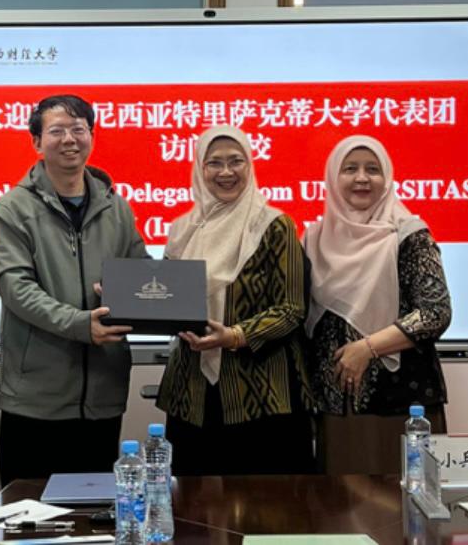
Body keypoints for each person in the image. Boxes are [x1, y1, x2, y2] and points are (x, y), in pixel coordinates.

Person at [0, 94, 149, 487]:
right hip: (36, 399)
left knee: (94, 511)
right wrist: (80, 324)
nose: (70, 139)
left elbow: (142, 275)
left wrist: (145, 297)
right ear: (36, 142)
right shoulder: (10, 210)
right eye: (56, 131)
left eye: (79, 129)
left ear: (91, 136)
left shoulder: (116, 208)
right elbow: (16, 287)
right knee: (29, 512)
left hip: (103, 396)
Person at [156, 125, 314, 476]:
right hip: (192, 396)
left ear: (249, 164)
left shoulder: (274, 226)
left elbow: (291, 309)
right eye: (214, 163)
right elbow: (168, 299)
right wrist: (130, 301)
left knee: (265, 503)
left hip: (259, 395)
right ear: (200, 168)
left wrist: (234, 336)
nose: (225, 172)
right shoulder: (183, 229)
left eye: (235, 161)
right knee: (193, 504)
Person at [303, 134, 451, 475]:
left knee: (407, 499)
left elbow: (436, 313)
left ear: (387, 177)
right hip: (336, 404)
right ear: (333, 177)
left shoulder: (408, 234)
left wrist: (366, 348)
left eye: (372, 169)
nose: (361, 178)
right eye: (350, 169)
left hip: (402, 402)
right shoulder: (313, 239)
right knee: (338, 502)